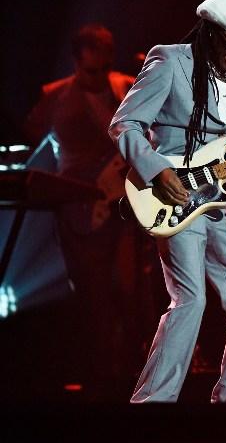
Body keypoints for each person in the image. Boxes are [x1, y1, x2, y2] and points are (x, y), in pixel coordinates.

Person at [108, 0, 226, 402]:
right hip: (176, 199)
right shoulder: (170, 60)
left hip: (222, 206)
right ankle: (154, 402)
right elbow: (125, 124)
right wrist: (157, 170)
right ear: (212, 33)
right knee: (190, 300)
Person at [24, 23, 142, 390]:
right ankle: (98, 375)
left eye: (105, 65)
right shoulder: (55, 96)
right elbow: (28, 136)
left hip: (122, 204)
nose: (99, 76)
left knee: (130, 289)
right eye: (92, 69)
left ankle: (131, 370)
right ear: (77, 62)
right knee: (92, 295)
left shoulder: (124, 87)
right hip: (78, 205)